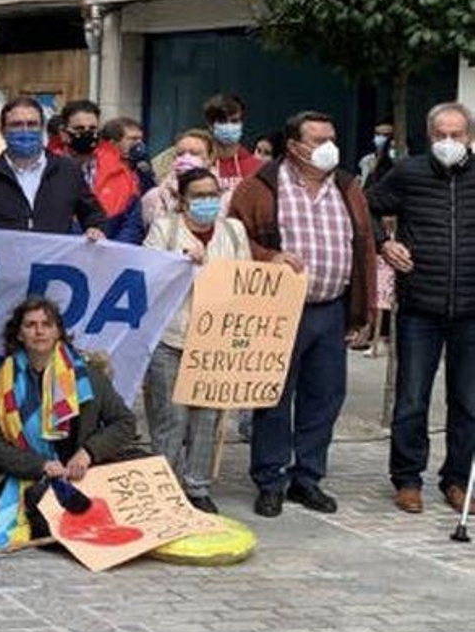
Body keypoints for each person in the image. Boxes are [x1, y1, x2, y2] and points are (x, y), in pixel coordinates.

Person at [229, 110, 376, 518]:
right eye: (318, 140)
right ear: (293, 146)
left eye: (332, 137)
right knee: (273, 396)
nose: (329, 146)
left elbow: (363, 246)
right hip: (278, 310)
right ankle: (270, 479)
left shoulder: (347, 186)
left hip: (331, 309)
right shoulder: (260, 186)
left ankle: (307, 477)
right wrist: (269, 256)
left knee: (325, 395)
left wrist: (362, 312)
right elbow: (233, 238)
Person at [367, 103, 475, 514]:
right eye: (441, 135)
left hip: (470, 308)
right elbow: (367, 205)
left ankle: (458, 479)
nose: (449, 142)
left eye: (457, 134)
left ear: (469, 136)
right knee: (412, 398)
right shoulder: (409, 173)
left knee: (468, 401)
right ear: (430, 137)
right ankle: (408, 479)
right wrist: (384, 243)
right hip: (419, 307)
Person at [0, 297, 142, 547]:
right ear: (19, 334)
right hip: (28, 477)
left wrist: (88, 452)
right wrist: (40, 465)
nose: (39, 331)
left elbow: (124, 423)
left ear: (58, 331)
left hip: (82, 472)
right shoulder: (0, 385)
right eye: (30, 325)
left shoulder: (87, 377)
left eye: (46, 324)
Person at [142, 167, 252, 512]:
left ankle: (197, 486)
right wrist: (180, 263)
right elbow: (148, 272)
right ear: (181, 200)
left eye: (212, 195)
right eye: (199, 196)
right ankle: (164, 487)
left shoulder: (233, 232)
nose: (207, 202)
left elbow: (246, 278)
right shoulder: (165, 229)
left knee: (208, 418)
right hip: (171, 337)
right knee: (170, 419)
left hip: (214, 342)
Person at [0, 96, 107, 238]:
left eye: (32, 124)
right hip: (6, 261)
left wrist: (94, 229)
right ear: (2, 131)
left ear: (42, 128)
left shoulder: (68, 172)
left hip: (52, 261)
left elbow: (93, 214)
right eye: (16, 125)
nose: (25, 130)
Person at [63, 104, 142, 243]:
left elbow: (132, 224)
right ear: (64, 133)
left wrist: (110, 253)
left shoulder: (122, 172)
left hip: (111, 258)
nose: (86, 133)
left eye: (92, 128)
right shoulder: (46, 169)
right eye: (79, 129)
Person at [141, 129, 213, 228]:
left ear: (209, 160)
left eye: (194, 153)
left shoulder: (223, 197)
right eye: (180, 154)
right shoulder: (153, 197)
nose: (186, 158)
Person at [204, 93, 263, 193]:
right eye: (222, 121)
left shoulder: (258, 167)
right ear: (210, 125)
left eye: (234, 121)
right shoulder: (200, 164)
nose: (229, 126)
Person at [358, 117, 397, 188]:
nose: (380, 138)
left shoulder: (399, 160)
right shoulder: (366, 160)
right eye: (377, 134)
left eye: (386, 135)